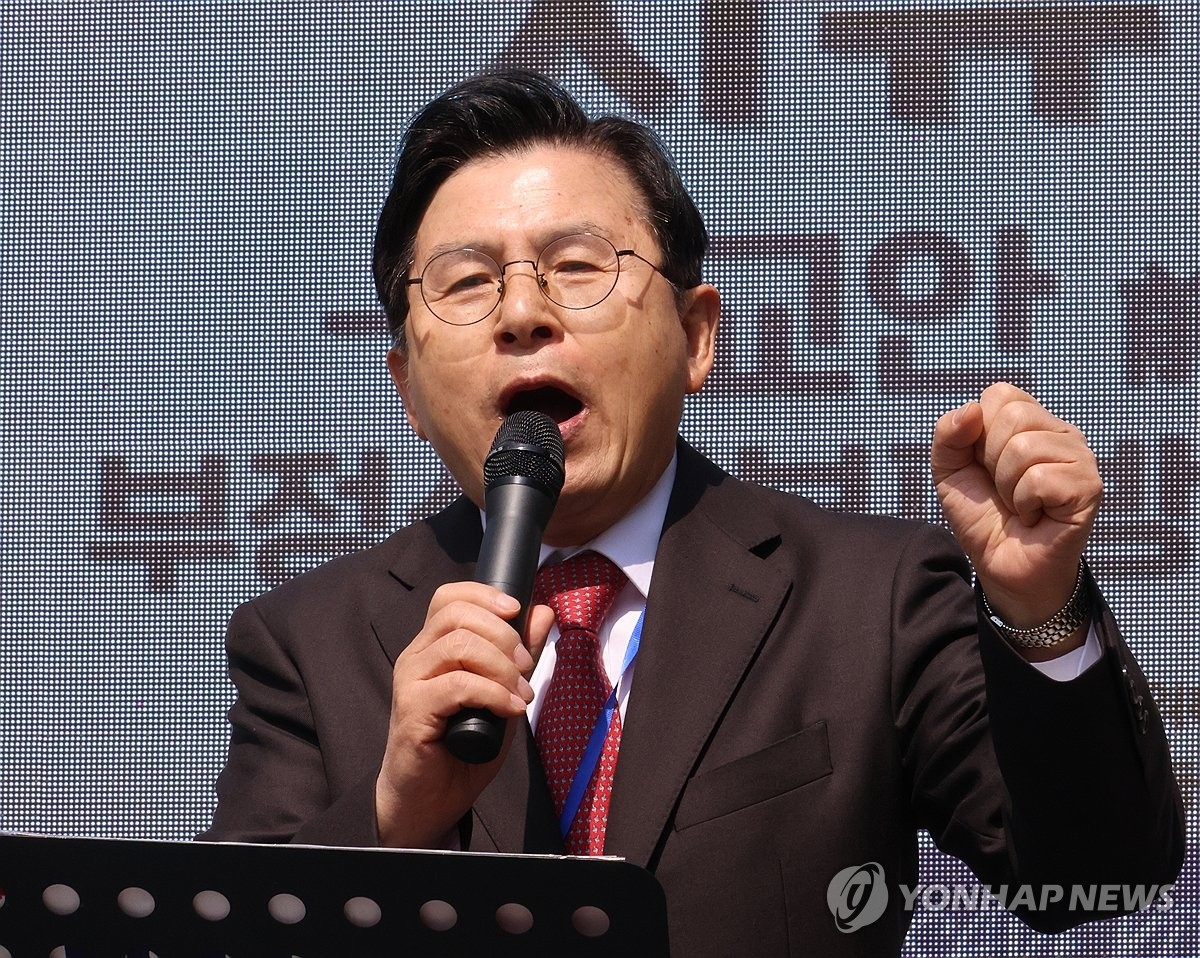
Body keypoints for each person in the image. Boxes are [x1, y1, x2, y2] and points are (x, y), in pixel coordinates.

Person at [202, 70, 1184, 955]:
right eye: (466, 283)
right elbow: (214, 939)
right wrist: (391, 818)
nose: (522, 314)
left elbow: (1102, 877)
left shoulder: (865, 598)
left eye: (577, 265)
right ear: (408, 391)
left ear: (695, 335)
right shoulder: (310, 644)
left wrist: (1043, 611)